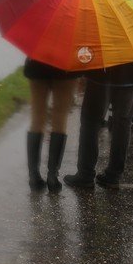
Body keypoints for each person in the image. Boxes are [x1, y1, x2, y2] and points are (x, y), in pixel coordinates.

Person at [64, 59, 133, 189]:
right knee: (122, 125)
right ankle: (113, 175)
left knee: (90, 121)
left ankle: (86, 174)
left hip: (102, 73)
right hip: (131, 73)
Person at [23, 57, 78, 192]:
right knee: (60, 118)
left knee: (37, 117)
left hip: (37, 64)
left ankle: (33, 176)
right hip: (65, 66)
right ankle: (52, 176)